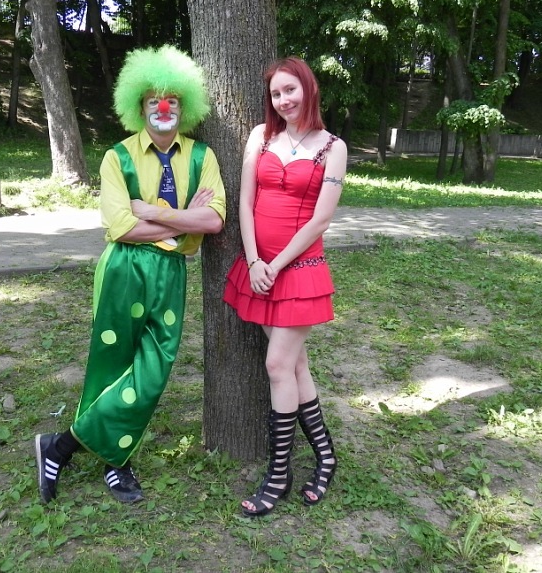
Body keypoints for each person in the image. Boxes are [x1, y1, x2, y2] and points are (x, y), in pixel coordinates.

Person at [35, 45, 226, 505]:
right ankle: (117, 463)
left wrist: (152, 212)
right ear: (138, 107)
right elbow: (121, 227)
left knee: (155, 367)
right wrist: (183, 219)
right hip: (123, 267)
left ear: (185, 107)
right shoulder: (116, 157)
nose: (163, 108)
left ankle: (59, 447)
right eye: (153, 101)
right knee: (112, 364)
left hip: (171, 272)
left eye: (172, 101)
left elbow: (214, 220)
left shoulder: (203, 157)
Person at [223, 57, 347, 516]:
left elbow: (321, 219)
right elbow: (245, 200)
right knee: (295, 367)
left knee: (277, 365)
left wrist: (274, 265)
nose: (283, 100)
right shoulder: (261, 136)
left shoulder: (333, 147)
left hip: (299, 271)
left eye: (290, 90)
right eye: (276, 93)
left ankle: (279, 474)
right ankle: (326, 457)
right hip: (258, 269)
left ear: (308, 89)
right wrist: (255, 260)